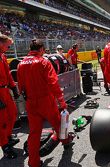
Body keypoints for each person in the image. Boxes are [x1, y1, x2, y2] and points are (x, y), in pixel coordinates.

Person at [17, 39, 70, 167]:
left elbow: (21, 86)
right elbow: (53, 83)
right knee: (58, 123)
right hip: (46, 100)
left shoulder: (21, 64)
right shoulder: (43, 61)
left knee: (34, 132)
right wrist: (62, 101)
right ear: (41, 49)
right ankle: (66, 142)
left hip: (30, 101)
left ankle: (33, 162)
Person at [0, 34, 20, 159]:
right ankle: (5, 146)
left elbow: (7, 73)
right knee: (2, 121)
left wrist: (14, 87)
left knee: (12, 115)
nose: (8, 48)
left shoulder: (2, 56)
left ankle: (8, 137)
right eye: (7, 46)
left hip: (5, 91)